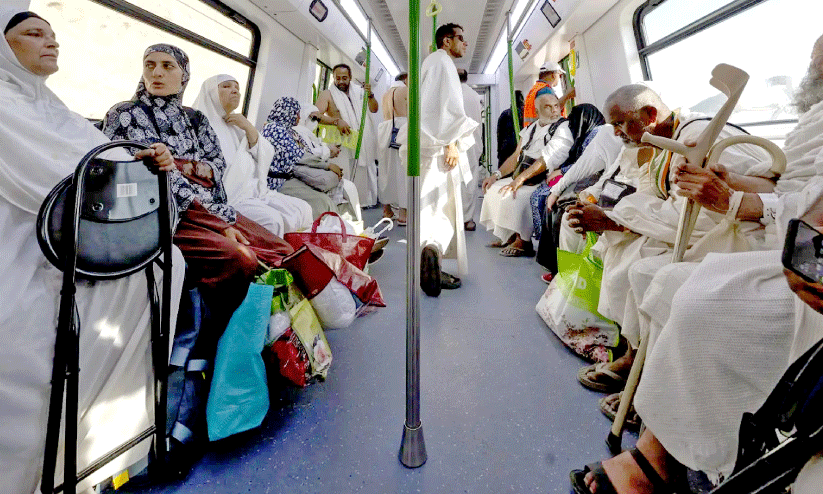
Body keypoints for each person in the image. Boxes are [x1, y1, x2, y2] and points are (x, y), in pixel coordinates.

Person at [0, 12, 186, 492]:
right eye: (34, 35)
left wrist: (149, 160)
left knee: (169, 262)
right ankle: (58, 467)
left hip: (69, 223)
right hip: (24, 234)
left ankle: (122, 441)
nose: (52, 43)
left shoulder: (48, 103)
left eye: (53, 34)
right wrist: (129, 167)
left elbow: (103, 156)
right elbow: (53, 180)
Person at [103, 43, 294, 339]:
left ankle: (275, 332)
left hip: (212, 207)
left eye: (168, 66)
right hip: (165, 215)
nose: (156, 72)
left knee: (282, 249)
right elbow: (150, 175)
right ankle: (221, 336)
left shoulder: (195, 119)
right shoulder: (124, 115)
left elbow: (217, 164)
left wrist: (184, 167)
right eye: (149, 64)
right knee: (240, 258)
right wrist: (193, 173)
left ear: (184, 75)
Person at [401, 22, 479, 297]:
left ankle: (430, 259)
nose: (465, 44)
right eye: (461, 38)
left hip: (428, 147)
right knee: (439, 210)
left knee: (431, 209)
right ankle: (431, 259)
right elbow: (442, 111)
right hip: (438, 149)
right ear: (446, 41)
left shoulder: (434, 62)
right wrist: (452, 142)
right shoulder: (442, 63)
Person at [191, 74, 313, 237]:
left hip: (252, 191)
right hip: (230, 196)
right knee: (273, 221)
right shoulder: (197, 127)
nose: (235, 91)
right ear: (210, 92)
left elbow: (266, 153)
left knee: (304, 208)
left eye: (237, 88)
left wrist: (249, 128)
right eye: (226, 86)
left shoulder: (237, 124)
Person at [479, 91, 572, 257]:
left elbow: (545, 160)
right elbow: (516, 156)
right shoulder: (530, 128)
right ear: (537, 112)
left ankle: (524, 241)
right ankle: (508, 235)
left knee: (514, 194)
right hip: (525, 175)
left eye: (556, 106)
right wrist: (496, 175)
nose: (554, 111)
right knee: (493, 188)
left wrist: (520, 179)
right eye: (548, 107)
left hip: (545, 178)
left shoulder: (563, 128)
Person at [530, 104, 605, 279]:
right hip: (585, 181)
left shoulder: (598, 134)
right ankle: (556, 265)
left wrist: (561, 176)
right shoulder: (591, 134)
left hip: (589, 183)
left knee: (555, 206)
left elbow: (585, 166)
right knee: (545, 199)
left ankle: (558, 268)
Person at [262, 96, 354, 219]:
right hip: (278, 181)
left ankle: (341, 226)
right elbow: (300, 156)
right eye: (297, 114)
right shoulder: (274, 129)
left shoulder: (288, 131)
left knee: (335, 195)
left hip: (291, 175)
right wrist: (328, 165)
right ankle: (328, 230)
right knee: (323, 202)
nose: (299, 118)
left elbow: (304, 152)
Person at [311, 63, 380, 207]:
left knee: (362, 172)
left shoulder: (360, 92)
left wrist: (371, 95)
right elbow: (315, 115)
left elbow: (374, 109)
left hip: (362, 142)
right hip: (343, 143)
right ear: (333, 78)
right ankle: (345, 204)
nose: (341, 81)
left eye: (344, 78)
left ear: (350, 78)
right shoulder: (327, 94)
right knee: (345, 175)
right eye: (337, 78)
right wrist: (337, 121)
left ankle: (362, 202)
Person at [377, 72, 408, 225]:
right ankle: (403, 212)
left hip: (385, 132)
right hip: (401, 130)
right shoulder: (405, 91)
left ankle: (387, 210)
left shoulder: (385, 94)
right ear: (406, 79)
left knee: (386, 172)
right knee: (402, 173)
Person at [458, 68, 483, 231]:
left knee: (452, 182)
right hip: (472, 143)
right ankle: (468, 220)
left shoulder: (449, 92)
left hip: (454, 143)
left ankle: (454, 219)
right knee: (470, 182)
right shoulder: (475, 96)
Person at [523, 61, 575, 126]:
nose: (559, 78)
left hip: (535, 131)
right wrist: (568, 95)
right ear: (554, 75)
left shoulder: (535, 89)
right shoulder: (545, 90)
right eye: (559, 75)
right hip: (543, 131)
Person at [497, 90, 524, 168]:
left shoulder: (504, 114)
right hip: (520, 149)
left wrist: (499, 153)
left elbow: (500, 135)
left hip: (506, 150)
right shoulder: (525, 113)